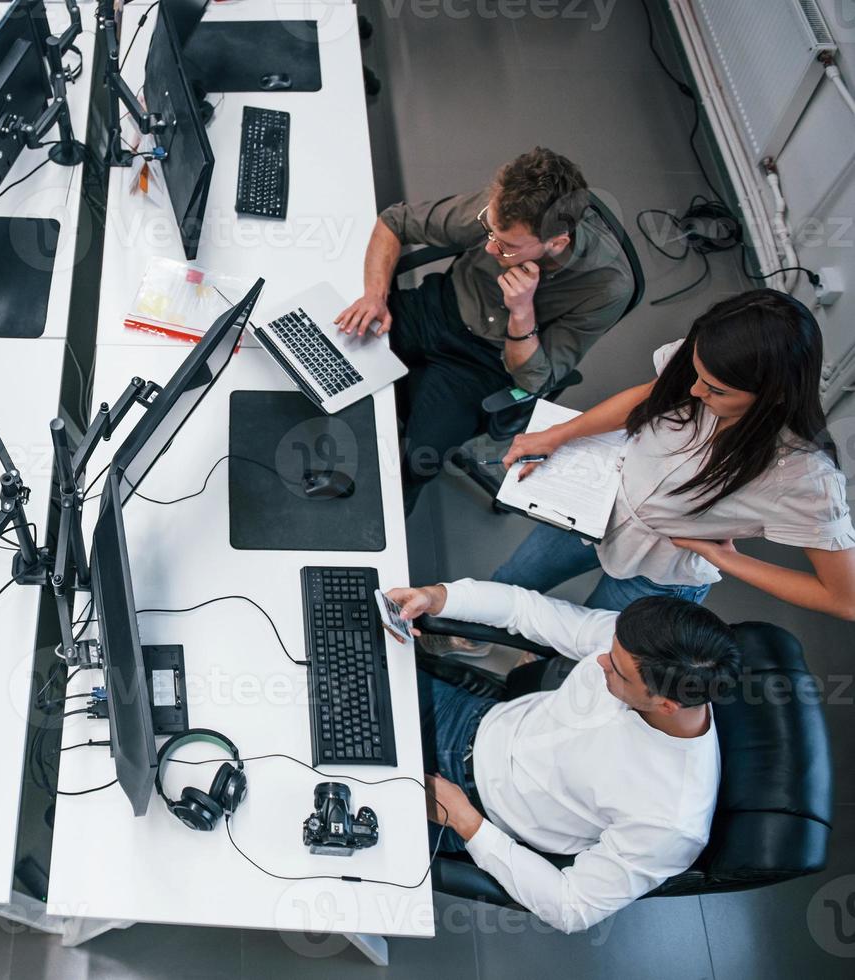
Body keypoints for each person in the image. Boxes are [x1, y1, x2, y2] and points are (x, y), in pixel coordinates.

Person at [391, 578, 740, 934]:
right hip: (469, 716)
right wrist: (437, 597)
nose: (601, 659)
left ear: (666, 705)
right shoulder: (638, 647)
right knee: (343, 661)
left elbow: (571, 908)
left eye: (616, 670)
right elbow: (527, 608)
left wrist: (466, 821)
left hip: (469, 803)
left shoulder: (671, 822)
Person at [495, 289, 855, 619]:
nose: (695, 390)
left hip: (658, 572)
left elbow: (843, 599)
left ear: (775, 395)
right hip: (595, 508)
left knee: (586, 642)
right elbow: (652, 395)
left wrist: (724, 559)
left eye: (715, 390)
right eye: (696, 375)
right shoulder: (709, 366)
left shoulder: (805, 477)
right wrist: (559, 434)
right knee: (509, 581)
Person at [336, 148, 634, 514]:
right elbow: (394, 222)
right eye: (489, 231)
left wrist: (522, 311)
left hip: (486, 365)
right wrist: (375, 295)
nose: (490, 246)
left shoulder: (605, 288)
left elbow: (535, 378)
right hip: (439, 308)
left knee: (417, 461)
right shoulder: (501, 209)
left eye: (507, 247)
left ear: (556, 243)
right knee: (332, 354)